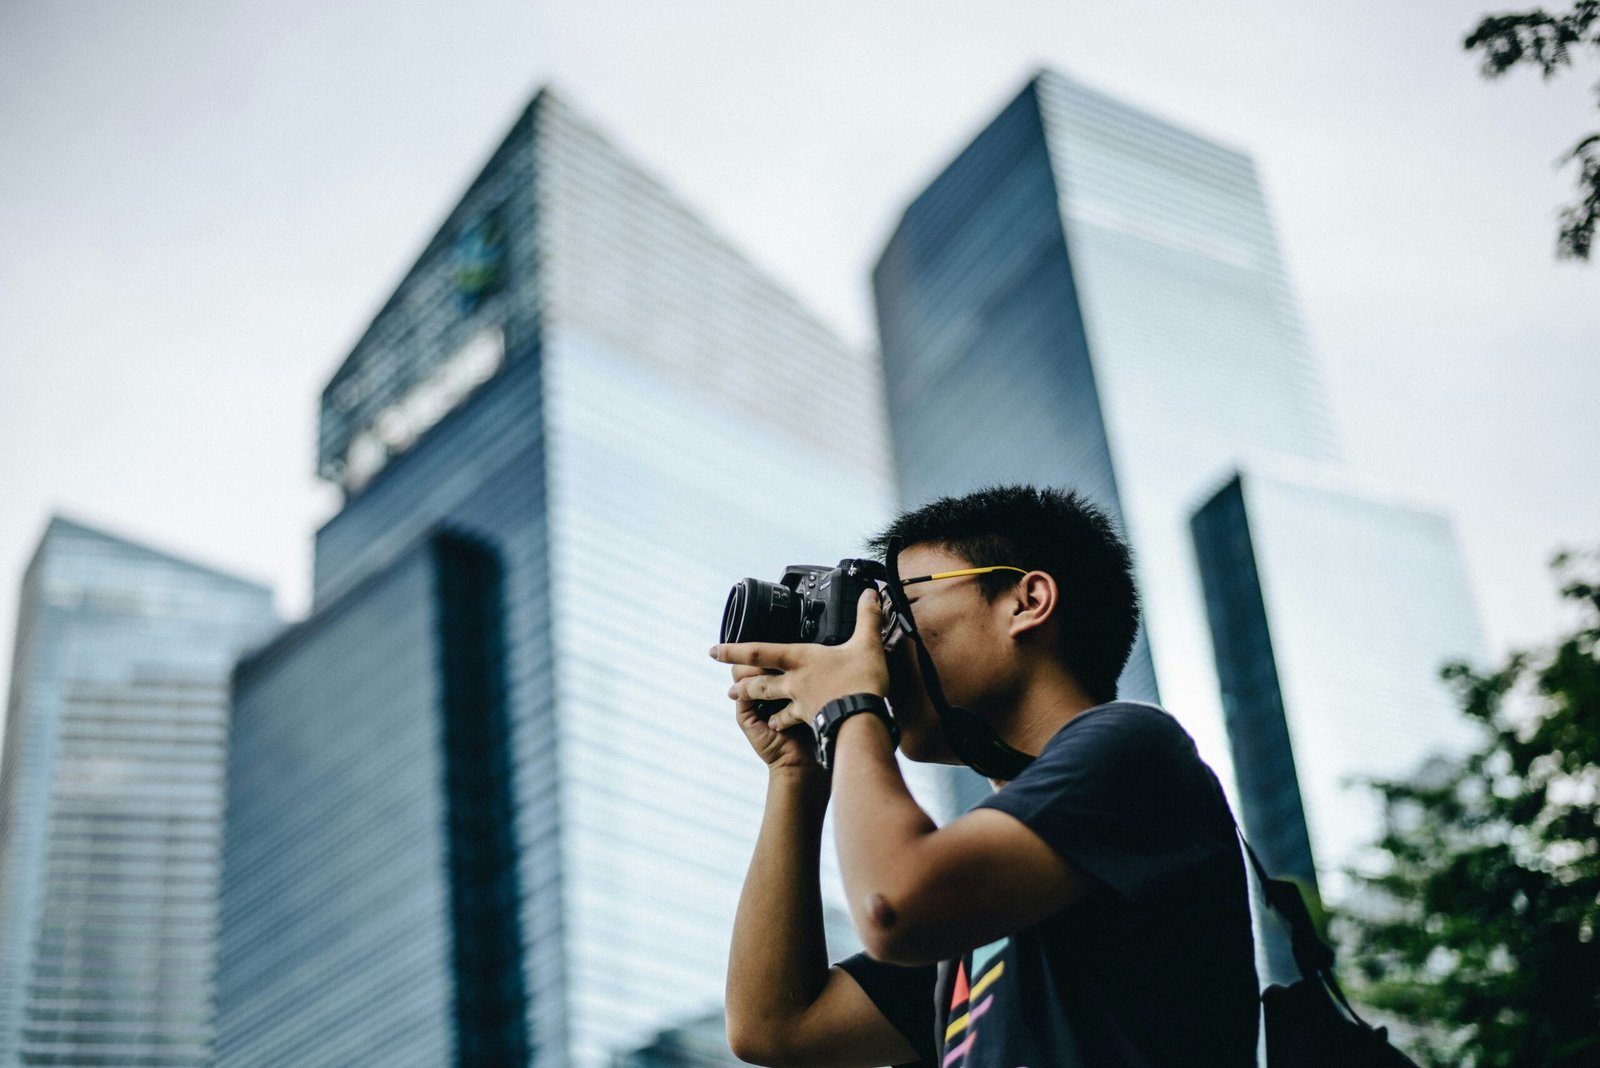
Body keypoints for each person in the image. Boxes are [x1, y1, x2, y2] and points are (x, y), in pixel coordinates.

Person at [713, 485, 1258, 1067]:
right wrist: (797, 771)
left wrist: (848, 706)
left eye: (898, 606)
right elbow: (775, 1026)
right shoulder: (974, 895)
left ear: (1026, 601)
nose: (880, 642)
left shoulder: (1136, 750)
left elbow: (891, 905)